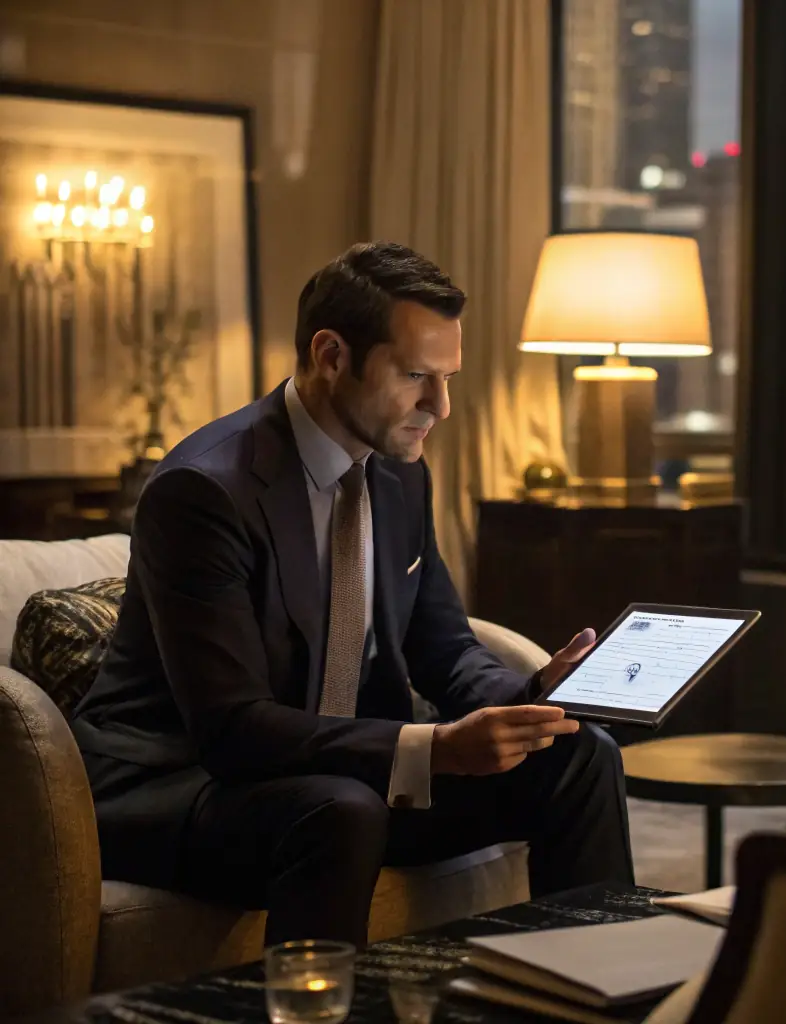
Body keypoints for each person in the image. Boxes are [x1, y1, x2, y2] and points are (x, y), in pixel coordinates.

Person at [71, 242, 634, 947]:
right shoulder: (204, 491)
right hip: (179, 783)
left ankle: (595, 987)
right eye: (416, 377)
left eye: (448, 378)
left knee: (582, 757)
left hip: (341, 775)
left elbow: (445, 650)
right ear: (331, 355)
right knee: (340, 809)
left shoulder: (400, 472)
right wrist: (432, 748)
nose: (441, 406)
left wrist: (532, 695)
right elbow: (233, 728)